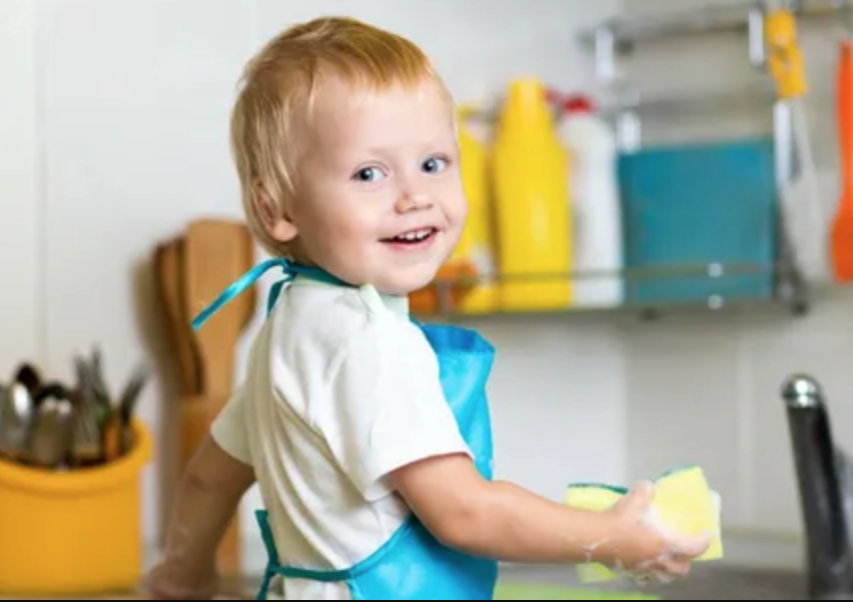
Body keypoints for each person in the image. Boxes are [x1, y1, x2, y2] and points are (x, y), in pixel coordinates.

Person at [142, 15, 711, 600]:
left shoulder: (287, 327)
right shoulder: (368, 340)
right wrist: (611, 537)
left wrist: (182, 574)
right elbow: (464, 513)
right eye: (369, 173)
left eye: (434, 163)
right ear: (276, 209)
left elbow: (212, 476)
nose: (414, 196)